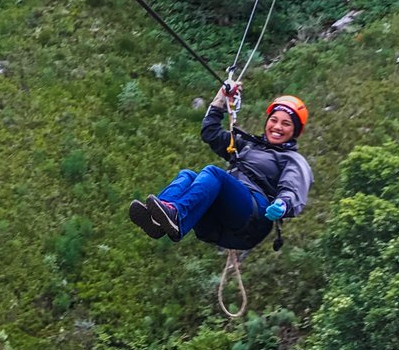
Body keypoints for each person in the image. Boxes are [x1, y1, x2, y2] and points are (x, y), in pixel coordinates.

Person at [129, 86, 313, 249]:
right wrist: (220, 100)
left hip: (253, 219)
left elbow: (293, 187)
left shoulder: (292, 160)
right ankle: (158, 219)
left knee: (213, 173)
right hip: (220, 224)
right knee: (187, 176)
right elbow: (211, 133)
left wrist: (283, 203)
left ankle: (177, 215)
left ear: (295, 131)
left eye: (286, 123)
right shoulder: (247, 145)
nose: (277, 127)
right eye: (274, 120)